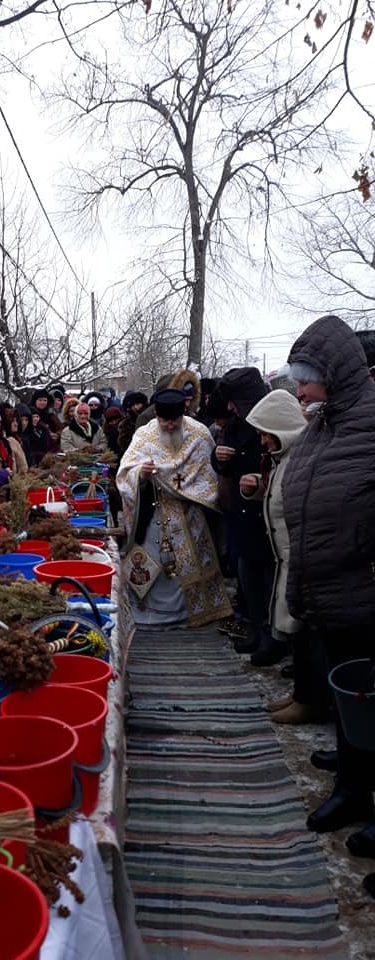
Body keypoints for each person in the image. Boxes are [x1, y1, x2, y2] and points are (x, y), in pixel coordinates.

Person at [281, 315, 375, 839]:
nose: (298, 387)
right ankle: (354, 784)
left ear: (334, 373)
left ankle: (360, 793)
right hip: (329, 589)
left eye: (305, 377)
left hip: (364, 589)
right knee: (350, 697)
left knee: (367, 698)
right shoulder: (322, 425)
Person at [240, 389, 328, 724]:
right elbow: (281, 500)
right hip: (290, 558)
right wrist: (256, 491)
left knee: (307, 635)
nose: (262, 441)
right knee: (300, 634)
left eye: (266, 433)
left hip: (305, 560)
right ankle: (302, 694)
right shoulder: (286, 458)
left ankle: (309, 700)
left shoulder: (303, 460)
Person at [117, 388, 231, 627]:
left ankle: (191, 613)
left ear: (183, 414)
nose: (169, 426)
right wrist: (141, 474)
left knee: (189, 565)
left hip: (191, 514)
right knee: (158, 565)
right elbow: (125, 472)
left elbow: (211, 477)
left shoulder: (199, 434)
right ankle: (154, 613)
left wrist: (190, 494)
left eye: (174, 420)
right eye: (163, 421)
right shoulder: (144, 435)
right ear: (156, 416)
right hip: (156, 512)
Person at [211, 367, 281, 665]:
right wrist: (219, 459)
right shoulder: (237, 425)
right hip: (239, 512)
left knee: (269, 580)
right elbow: (227, 467)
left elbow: (283, 461)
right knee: (247, 576)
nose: (229, 408)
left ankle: (272, 636)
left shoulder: (273, 420)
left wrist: (261, 481)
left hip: (266, 514)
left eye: (234, 400)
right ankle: (255, 628)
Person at [117, 391, 149, 455]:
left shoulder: (149, 417)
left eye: (138, 404)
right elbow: (123, 442)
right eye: (133, 405)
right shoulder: (126, 423)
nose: (136, 407)